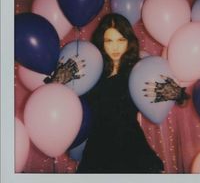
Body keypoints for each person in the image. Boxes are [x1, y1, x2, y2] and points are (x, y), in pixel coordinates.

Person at [45, 13, 189, 173]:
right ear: (102, 42)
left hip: (130, 150)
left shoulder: (138, 70)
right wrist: (57, 82)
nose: (115, 47)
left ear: (129, 41)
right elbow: (66, 104)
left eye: (121, 40)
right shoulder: (92, 72)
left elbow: (182, 101)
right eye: (109, 41)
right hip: (97, 150)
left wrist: (178, 95)